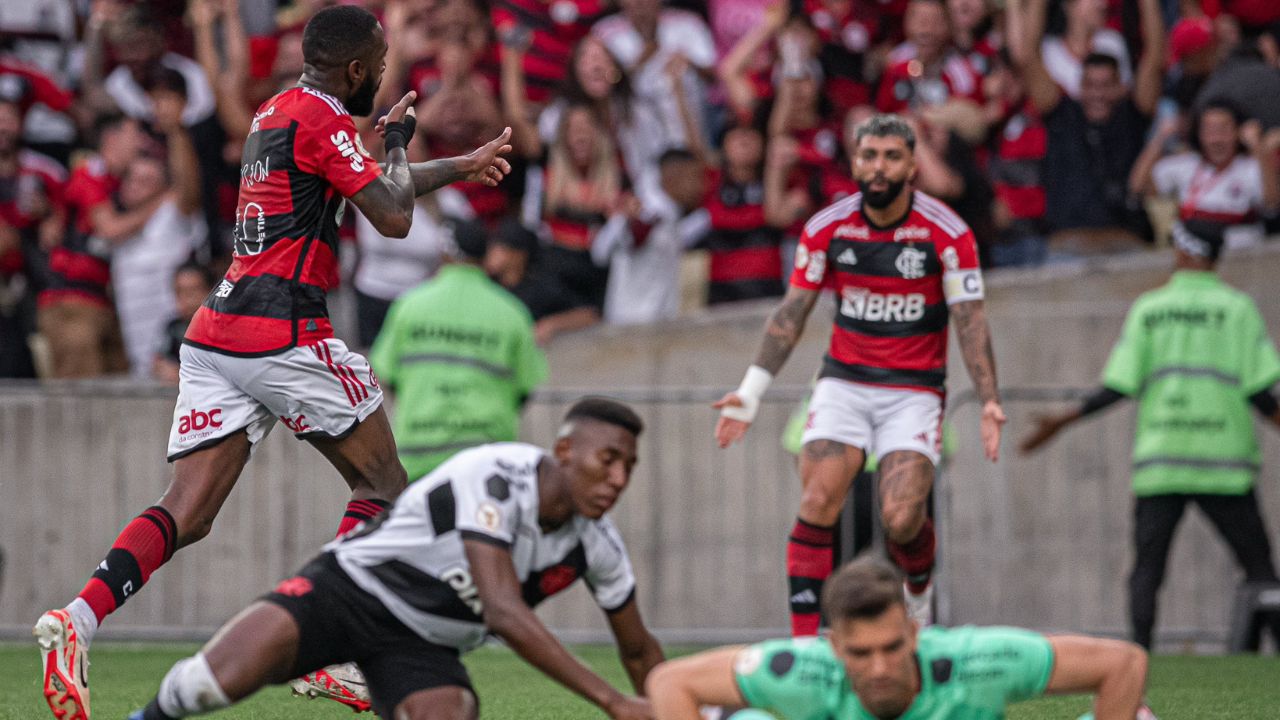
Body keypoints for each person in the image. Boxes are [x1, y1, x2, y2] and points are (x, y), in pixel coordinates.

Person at [33, 8, 514, 720]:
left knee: (187, 511)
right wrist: (403, 147)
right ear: (354, 68)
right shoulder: (322, 120)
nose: (382, 76)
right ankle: (338, 650)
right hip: (283, 330)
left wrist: (457, 165)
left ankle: (79, 618)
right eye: (378, 65)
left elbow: (371, 191)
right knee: (382, 478)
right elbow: (394, 214)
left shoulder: (277, 110)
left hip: (220, 329)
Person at [126, 398, 663, 720]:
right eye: (608, 460)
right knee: (209, 684)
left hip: (424, 640)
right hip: (347, 591)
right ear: (565, 453)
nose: (618, 479)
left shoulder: (599, 544)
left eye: (629, 468)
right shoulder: (496, 475)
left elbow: (638, 651)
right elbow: (503, 611)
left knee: (450, 711)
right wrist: (613, 703)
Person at [713, 114, 1005, 634]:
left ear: (912, 165)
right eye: (869, 155)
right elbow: (791, 313)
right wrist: (751, 392)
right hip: (844, 382)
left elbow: (970, 320)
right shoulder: (828, 226)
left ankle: (919, 596)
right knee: (818, 500)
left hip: (913, 390)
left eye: (892, 156)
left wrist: (987, 400)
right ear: (854, 162)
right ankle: (803, 647)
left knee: (901, 518)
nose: (878, 167)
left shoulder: (948, 233)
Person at [1019, 219, 1280, 650]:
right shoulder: (1238, 309)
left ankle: (1139, 654)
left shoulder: (1150, 309)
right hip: (1223, 461)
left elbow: (1119, 386)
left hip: (1162, 459)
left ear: (1183, 251)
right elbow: (1260, 393)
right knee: (1258, 567)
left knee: (1147, 570)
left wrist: (1062, 420)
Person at [646, 556, 1152, 720]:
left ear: (914, 632)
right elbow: (670, 683)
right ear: (833, 646)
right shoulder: (801, 670)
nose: (881, 668)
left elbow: (1123, 663)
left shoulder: (976, 661)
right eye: (861, 654)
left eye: (892, 647)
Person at [369, 217, 548, 480]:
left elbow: (386, 374)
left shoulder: (409, 305)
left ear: (444, 253)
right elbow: (526, 385)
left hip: (419, 460)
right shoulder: (512, 313)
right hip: (487, 464)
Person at [1009, 0, 1164, 246]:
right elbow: (1029, 57)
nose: (1098, 94)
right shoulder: (1062, 116)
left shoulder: (1131, 117)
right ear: (1079, 88)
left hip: (1126, 242)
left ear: (1120, 87)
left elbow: (1155, 58)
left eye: (1106, 86)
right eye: (1090, 85)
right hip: (1068, 243)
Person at [1129, 103, 1280, 248]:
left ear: (1238, 132)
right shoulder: (1185, 165)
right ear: (1198, 133)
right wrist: (1161, 137)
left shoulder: (1251, 167)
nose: (1216, 140)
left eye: (1223, 130)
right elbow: (1138, 187)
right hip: (1193, 258)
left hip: (1242, 256)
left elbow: (1272, 203)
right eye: (1209, 131)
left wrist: (1257, 146)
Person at [154, 262, 217, 385]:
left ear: (212, 292)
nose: (187, 299)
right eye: (179, 292)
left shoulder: (224, 328)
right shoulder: (174, 327)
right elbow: (159, 362)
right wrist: (166, 369)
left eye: (193, 291)